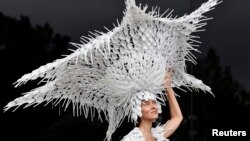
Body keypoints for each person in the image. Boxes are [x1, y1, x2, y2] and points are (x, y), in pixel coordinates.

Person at [122, 69, 183, 141]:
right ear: (137, 110)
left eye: (154, 102)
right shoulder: (131, 139)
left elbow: (177, 117)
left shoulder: (157, 135)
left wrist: (167, 86)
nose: (153, 107)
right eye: (146, 104)